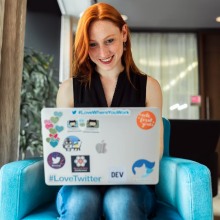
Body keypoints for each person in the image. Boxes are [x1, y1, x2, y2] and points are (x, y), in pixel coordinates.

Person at [56, 3, 164, 220]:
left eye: (109, 41)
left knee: (121, 201)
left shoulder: (149, 87)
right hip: (81, 184)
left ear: (124, 33)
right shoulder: (68, 90)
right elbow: (64, 147)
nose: (103, 53)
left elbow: (155, 148)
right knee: (81, 202)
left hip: (133, 184)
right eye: (93, 45)